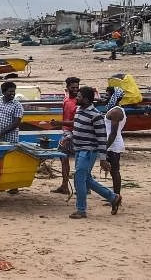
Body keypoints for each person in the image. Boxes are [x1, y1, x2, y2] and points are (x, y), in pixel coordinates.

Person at [70, 86, 122, 218]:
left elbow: (102, 138)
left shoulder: (96, 115)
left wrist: (103, 158)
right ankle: (113, 197)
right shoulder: (78, 110)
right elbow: (78, 129)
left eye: (79, 96)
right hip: (78, 149)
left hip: (88, 152)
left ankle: (81, 210)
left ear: (86, 99)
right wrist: (69, 137)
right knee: (86, 180)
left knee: (79, 178)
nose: (77, 98)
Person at [50, 77, 80, 195]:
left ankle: (79, 187)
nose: (75, 90)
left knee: (77, 161)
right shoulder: (66, 100)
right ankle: (64, 185)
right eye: (73, 88)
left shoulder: (78, 103)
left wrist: (59, 124)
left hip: (74, 134)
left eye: (77, 88)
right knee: (64, 159)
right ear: (67, 88)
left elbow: (77, 122)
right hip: (66, 132)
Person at [103, 86, 127, 197]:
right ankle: (115, 196)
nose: (105, 97)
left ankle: (116, 196)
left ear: (114, 97)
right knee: (113, 170)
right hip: (113, 143)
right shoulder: (114, 109)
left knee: (115, 171)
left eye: (108, 95)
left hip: (113, 144)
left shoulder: (116, 111)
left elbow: (113, 132)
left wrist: (106, 147)